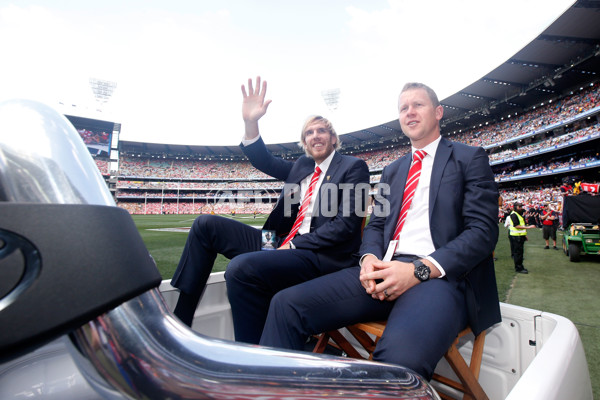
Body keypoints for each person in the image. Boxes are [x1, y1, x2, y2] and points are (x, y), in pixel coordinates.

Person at [259, 82, 501, 381]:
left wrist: (417, 271)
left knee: (397, 363)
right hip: (382, 268)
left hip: (439, 276)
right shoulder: (393, 170)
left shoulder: (469, 158)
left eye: (418, 105)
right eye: (403, 108)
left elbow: (482, 232)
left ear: (438, 112)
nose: (409, 112)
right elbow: (375, 224)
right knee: (286, 305)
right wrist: (368, 258)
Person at [170, 77, 370, 345]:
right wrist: (251, 123)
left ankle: (252, 354)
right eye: (309, 133)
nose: (315, 136)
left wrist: (295, 246)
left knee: (240, 268)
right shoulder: (302, 166)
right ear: (305, 143)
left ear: (333, 138)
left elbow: (345, 226)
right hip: (276, 242)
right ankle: (179, 322)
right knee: (206, 224)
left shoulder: (353, 167)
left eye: (321, 131)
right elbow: (262, 159)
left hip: (317, 254)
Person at [507, 202, 537, 274]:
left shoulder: (517, 214)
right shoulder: (514, 214)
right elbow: (516, 225)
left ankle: (520, 266)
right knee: (518, 253)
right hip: (516, 236)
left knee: (520, 253)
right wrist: (528, 227)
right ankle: (518, 268)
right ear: (515, 207)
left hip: (519, 236)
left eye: (521, 206)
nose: (521, 208)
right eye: (519, 207)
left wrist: (524, 235)